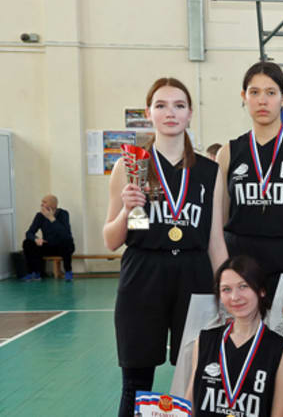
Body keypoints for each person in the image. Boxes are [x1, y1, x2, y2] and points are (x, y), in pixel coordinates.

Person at [103, 77, 229, 417]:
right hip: (143, 273)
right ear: (149, 113)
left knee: (198, 377)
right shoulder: (131, 166)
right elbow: (112, 240)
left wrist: (227, 290)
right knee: (136, 382)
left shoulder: (209, 171)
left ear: (190, 114)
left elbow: (215, 240)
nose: (170, 113)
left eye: (179, 105)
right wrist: (128, 210)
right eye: (161, 105)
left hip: (194, 274)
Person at [216, 61, 283, 330]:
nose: (262, 100)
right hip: (242, 273)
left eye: (271, 92)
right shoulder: (228, 153)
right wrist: (225, 283)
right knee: (245, 350)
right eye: (254, 92)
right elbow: (217, 228)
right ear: (244, 97)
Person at [187, 256, 283, 417]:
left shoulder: (282, 350)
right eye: (226, 289)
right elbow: (190, 404)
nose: (235, 297)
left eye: (243, 286)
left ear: (261, 290)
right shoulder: (204, 341)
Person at [22, 194, 75, 281]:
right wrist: (36, 239)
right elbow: (29, 233)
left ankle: (68, 271)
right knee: (27, 243)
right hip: (48, 246)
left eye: (44, 202)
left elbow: (65, 234)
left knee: (67, 241)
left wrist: (51, 218)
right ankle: (33, 272)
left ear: (53, 204)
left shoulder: (63, 214)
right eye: (42, 202)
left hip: (63, 247)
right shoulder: (40, 216)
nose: (41, 204)